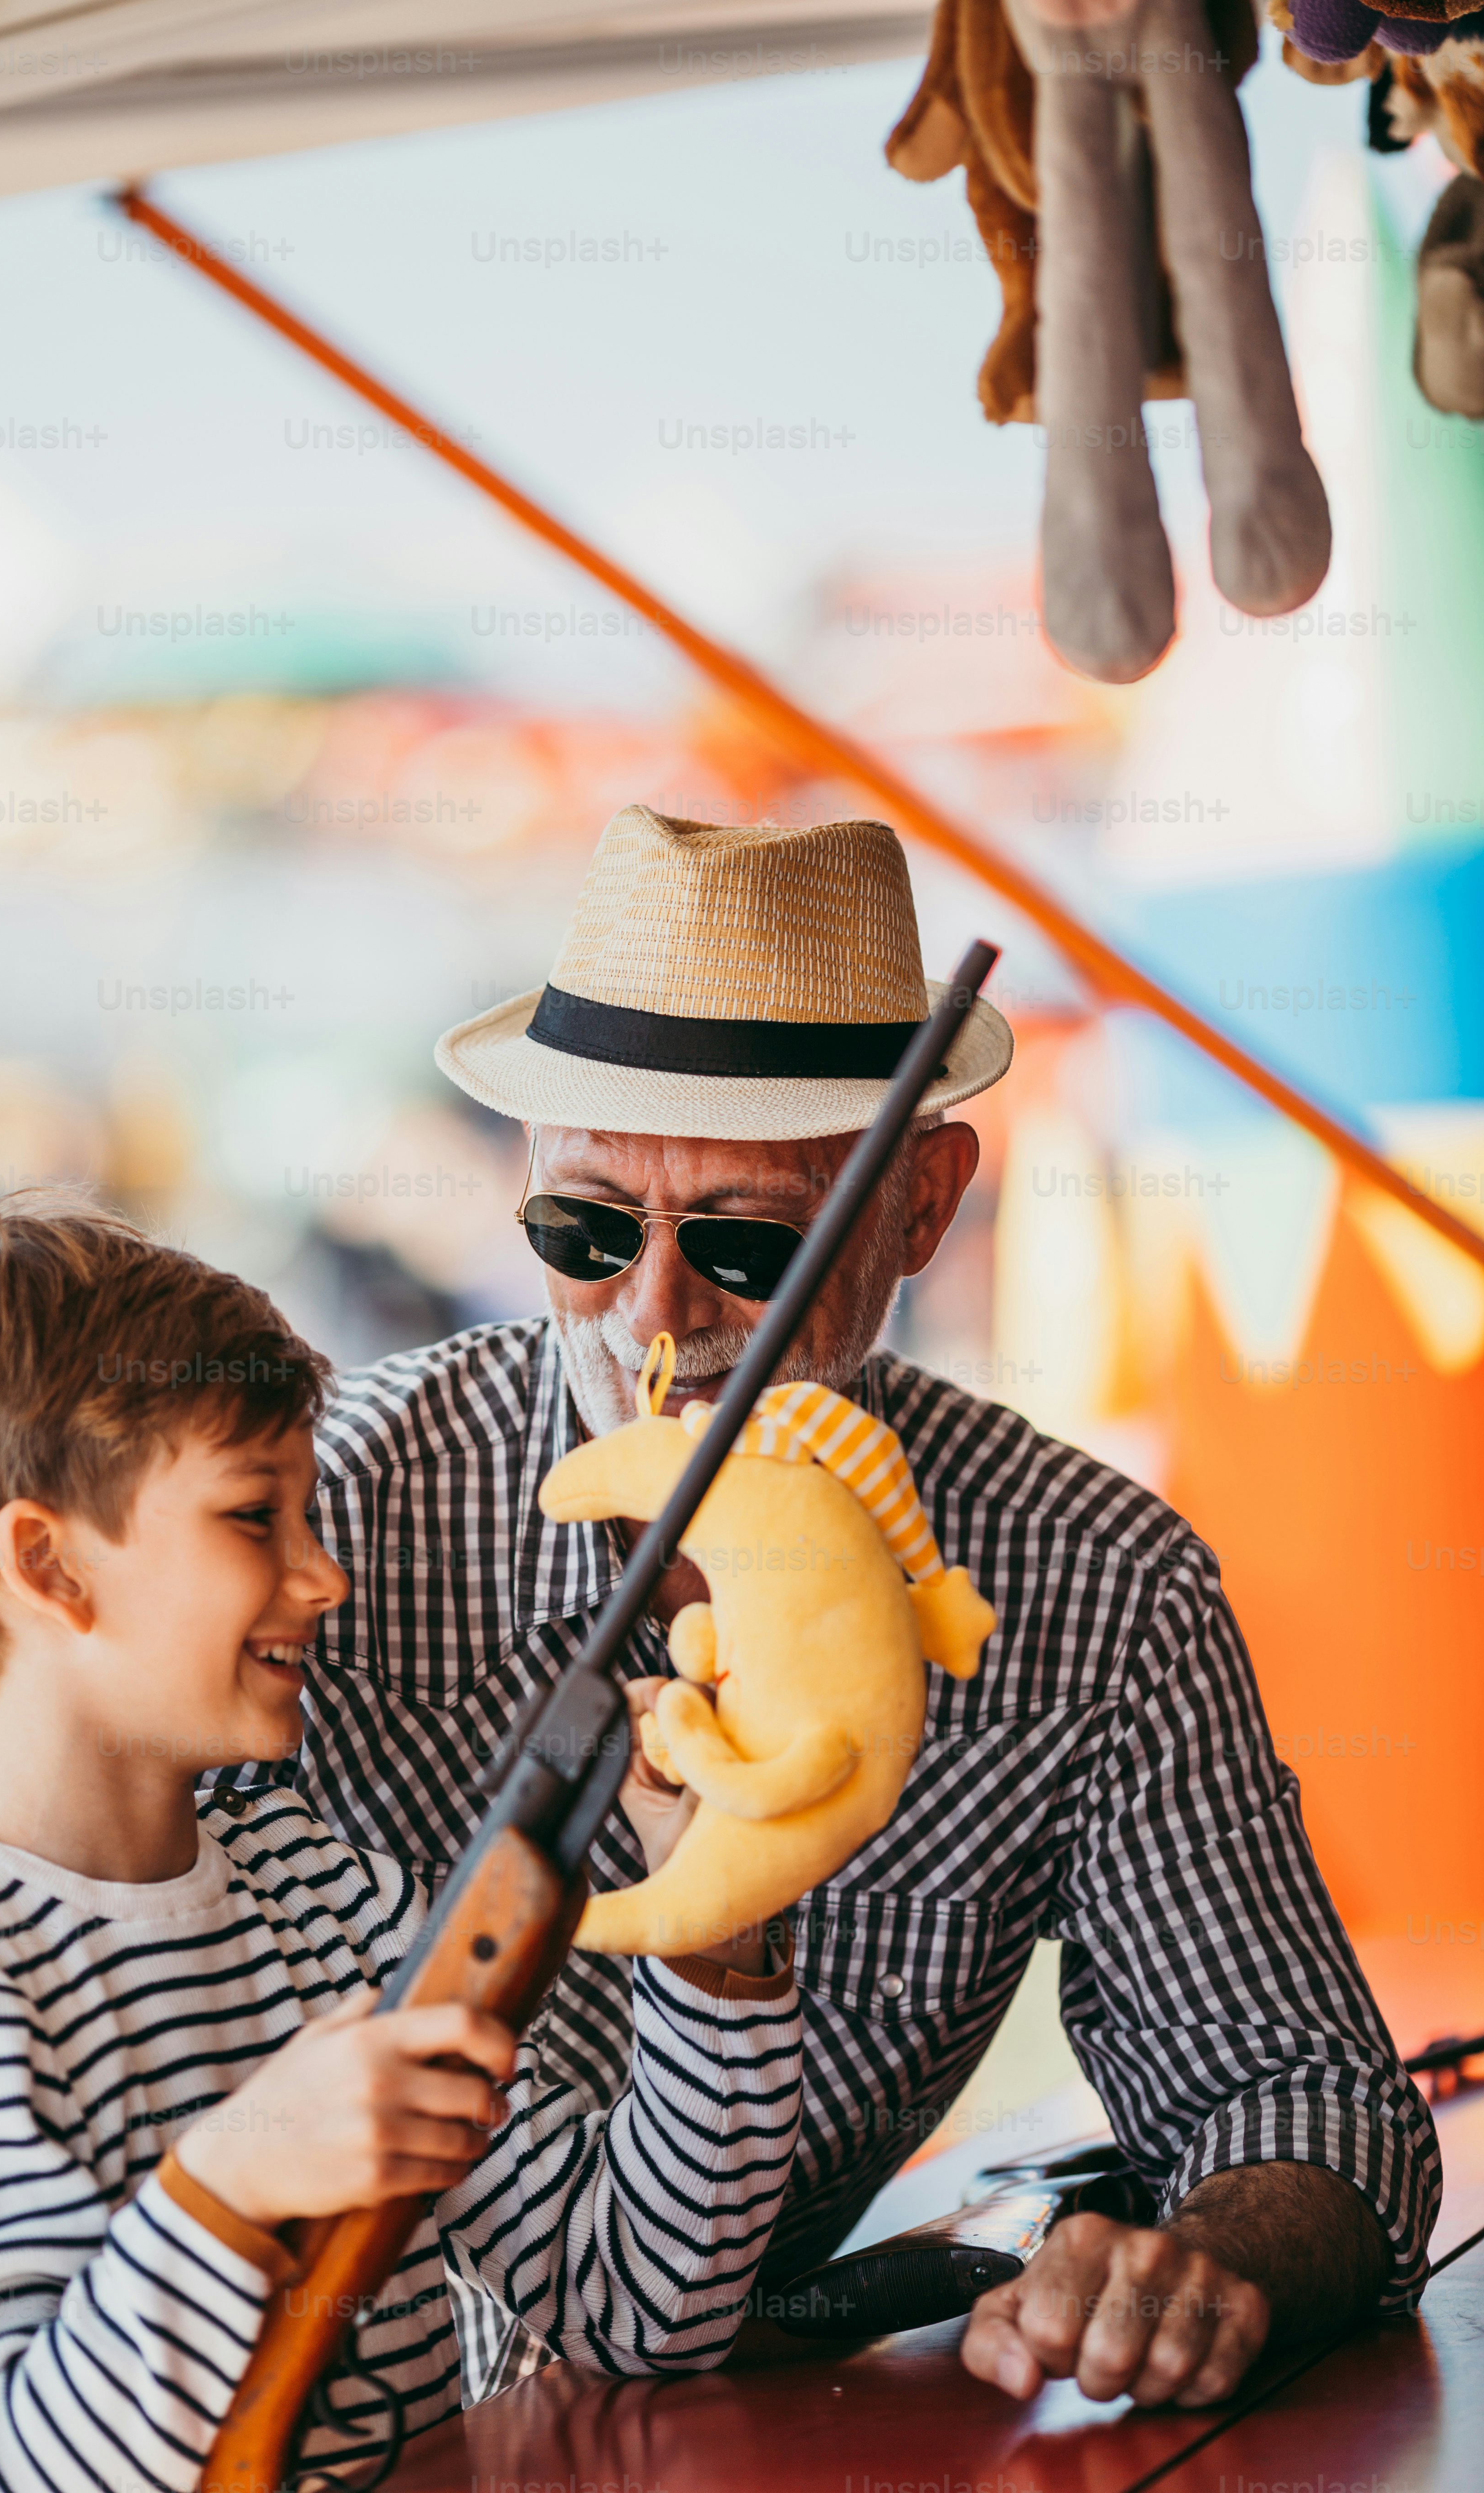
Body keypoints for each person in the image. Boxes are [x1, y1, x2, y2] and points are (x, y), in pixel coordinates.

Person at [304, 803, 1440, 2411]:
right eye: (585, 1228)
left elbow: (1302, 2090)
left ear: (921, 1208)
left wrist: (1208, 2268)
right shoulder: (325, 1516)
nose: (656, 1310)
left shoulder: (1093, 1586)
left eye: (748, 1242)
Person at [0, 1205, 803, 2493]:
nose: (326, 1575)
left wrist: (711, 1927)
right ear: (50, 1566)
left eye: (311, 1514)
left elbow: (644, 2309)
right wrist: (229, 2181)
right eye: (253, 1520)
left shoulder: (317, 1888)